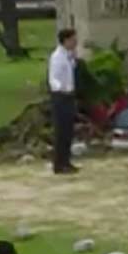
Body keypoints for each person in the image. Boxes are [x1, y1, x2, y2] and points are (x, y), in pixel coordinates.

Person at [46, 28, 80, 176]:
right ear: (65, 40)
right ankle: (59, 163)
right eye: (73, 39)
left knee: (68, 130)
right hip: (61, 96)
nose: (75, 42)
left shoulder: (68, 56)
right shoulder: (57, 56)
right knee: (61, 130)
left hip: (69, 95)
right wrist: (61, 90)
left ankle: (66, 161)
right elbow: (53, 77)